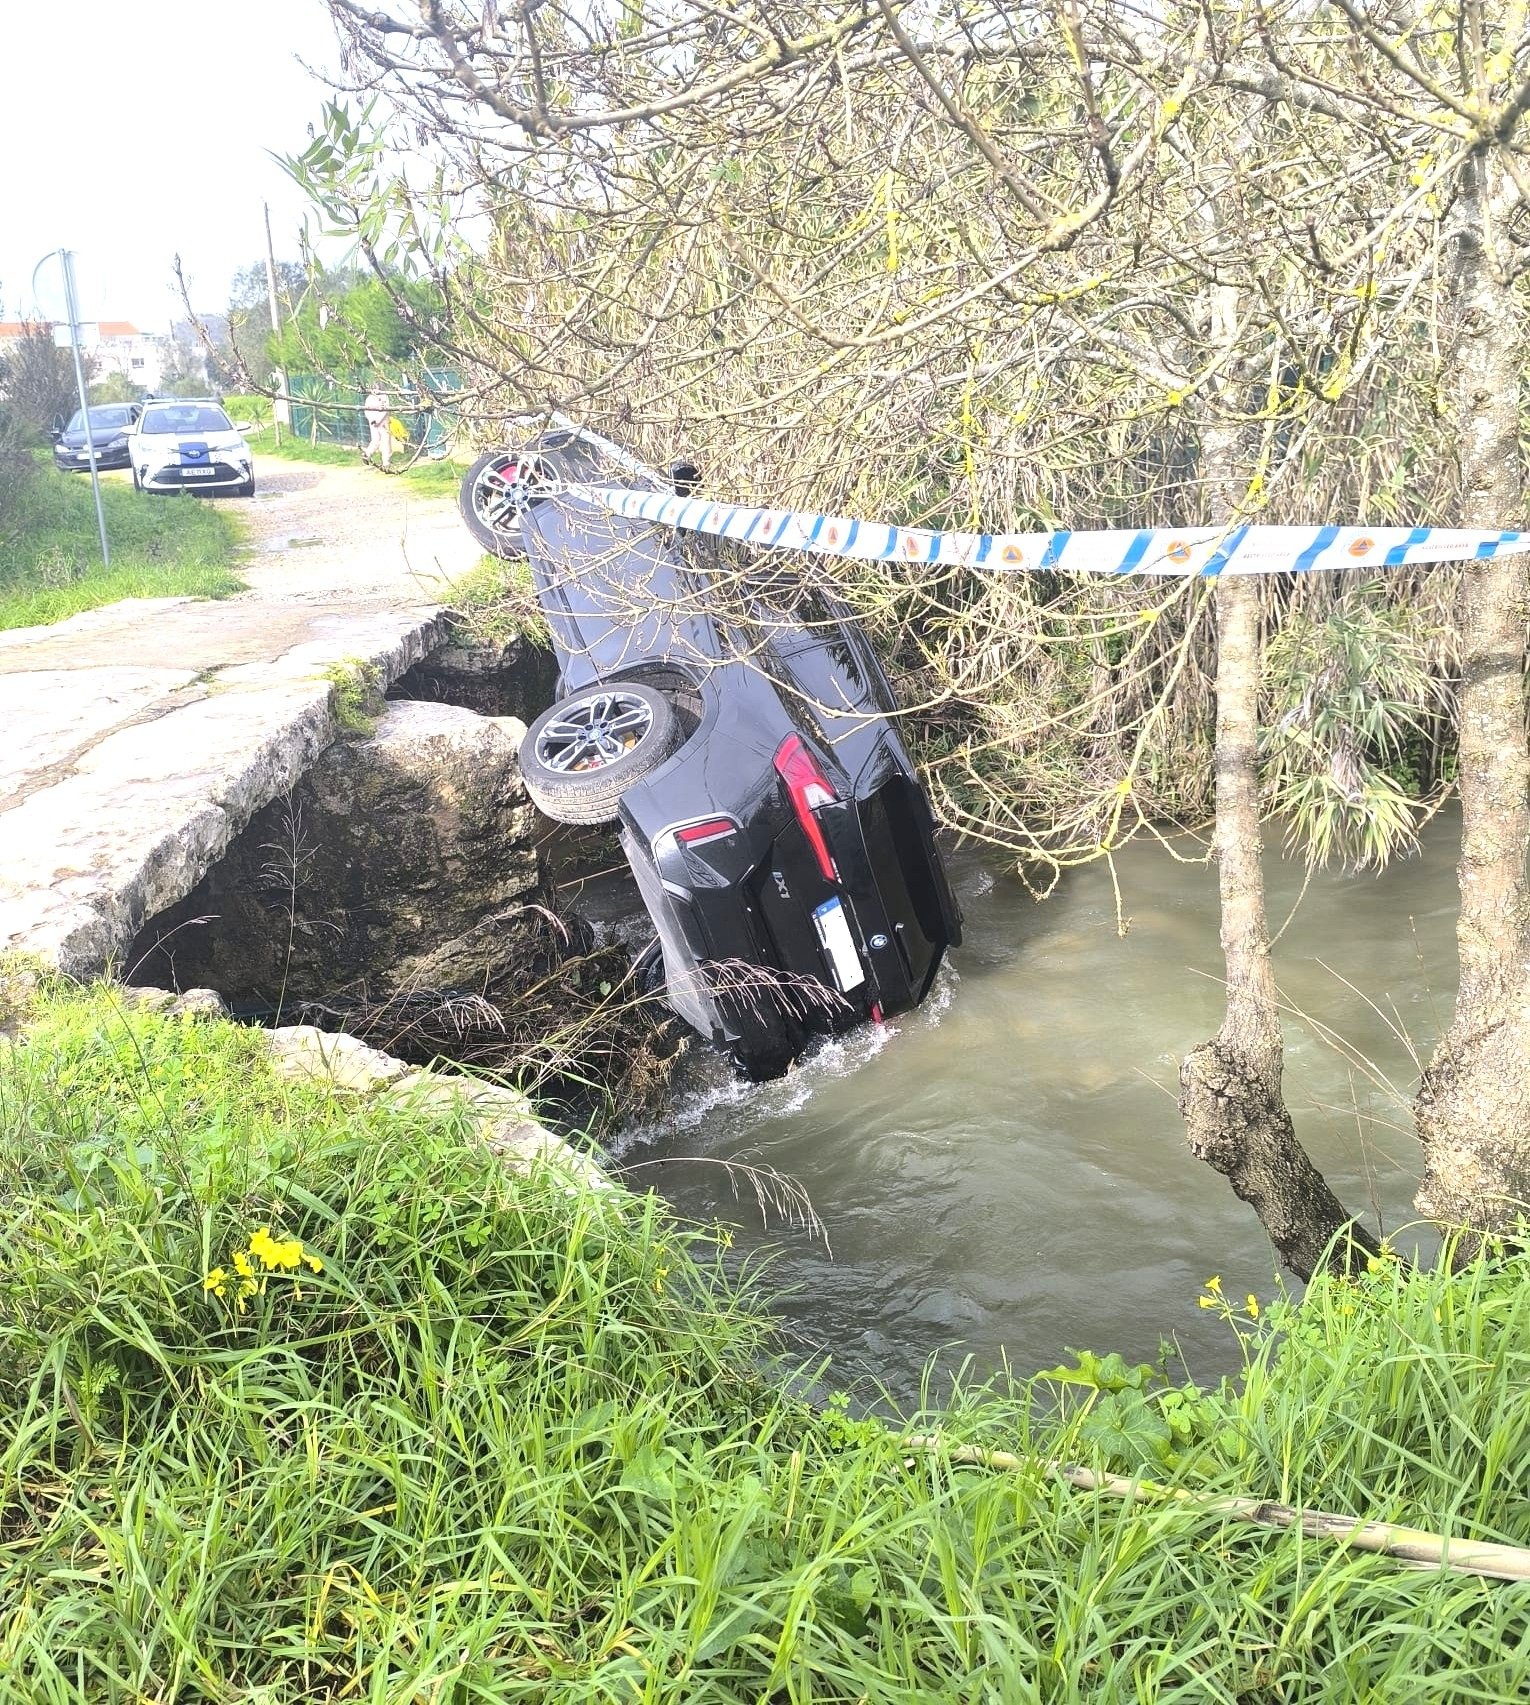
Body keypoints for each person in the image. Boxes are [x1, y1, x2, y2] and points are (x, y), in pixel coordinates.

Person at [362, 386, 392, 470]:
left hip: (381, 421)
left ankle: (370, 455)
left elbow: (385, 409)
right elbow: (367, 410)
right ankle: (384, 461)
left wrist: (376, 420)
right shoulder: (370, 398)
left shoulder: (383, 396)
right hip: (377, 422)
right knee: (380, 440)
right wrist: (373, 420)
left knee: (382, 440)